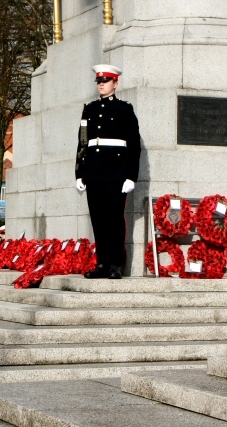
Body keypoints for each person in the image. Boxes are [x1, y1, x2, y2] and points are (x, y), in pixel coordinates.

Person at [75, 64, 141, 280]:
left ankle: (114, 264)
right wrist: (79, 173)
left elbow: (133, 145)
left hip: (116, 173)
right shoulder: (90, 109)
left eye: (105, 81)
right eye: (99, 82)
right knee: (98, 219)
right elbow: (83, 142)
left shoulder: (124, 109)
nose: (101, 85)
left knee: (114, 219)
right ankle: (102, 263)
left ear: (115, 83)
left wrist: (131, 175)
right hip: (94, 173)